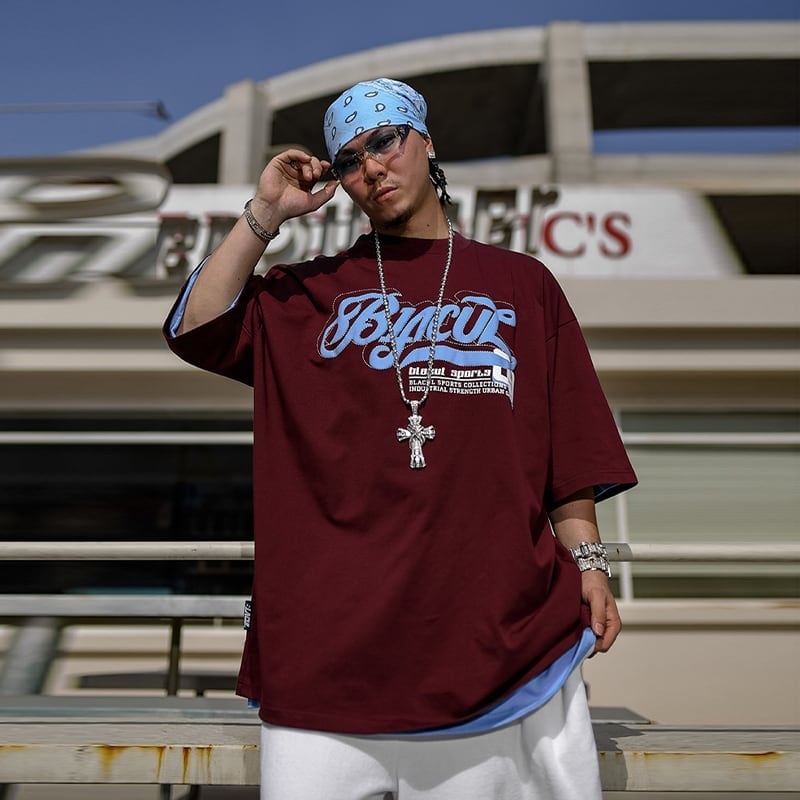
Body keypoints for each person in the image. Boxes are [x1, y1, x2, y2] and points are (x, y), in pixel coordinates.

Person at [164, 78, 637, 800]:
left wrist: (591, 565)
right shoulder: (306, 295)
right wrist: (266, 212)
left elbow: (568, 453)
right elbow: (195, 327)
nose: (372, 168)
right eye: (349, 160)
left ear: (426, 142)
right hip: (327, 654)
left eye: (385, 141)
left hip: (490, 644)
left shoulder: (522, 283)